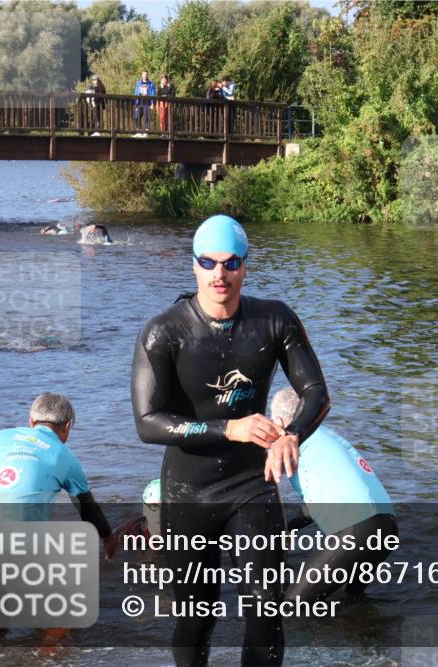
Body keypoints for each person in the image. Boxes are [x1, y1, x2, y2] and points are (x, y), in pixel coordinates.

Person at [131, 214, 330, 667]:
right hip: (187, 491)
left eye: (231, 262)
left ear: (245, 266)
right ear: (194, 266)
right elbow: (147, 422)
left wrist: (291, 435)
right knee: (196, 615)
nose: (219, 273)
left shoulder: (273, 320)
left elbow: (317, 392)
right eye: (208, 262)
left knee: (266, 608)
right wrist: (231, 428)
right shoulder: (165, 331)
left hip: (251, 483)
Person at [269, 388, 398, 603]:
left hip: (357, 529)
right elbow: (325, 497)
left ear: (280, 421)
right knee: (353, 600)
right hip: (388, 527)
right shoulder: (326, 436)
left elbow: (258, 483)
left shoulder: (292, 444)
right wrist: (290, 526)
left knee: (292, 607)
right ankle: (365, 633)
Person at [0, 392, 117, 553]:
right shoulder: (65, 457)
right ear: (67, 426)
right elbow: (87, 508)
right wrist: (108, 538)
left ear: (31, 421)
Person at [133, 70, 155, 136]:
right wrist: (135, 103)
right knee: (137, 116)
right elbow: (136, 92)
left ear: (147, 75)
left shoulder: (151, 84)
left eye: (146, 74)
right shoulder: (138, 83)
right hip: (139, 102)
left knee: (146, 117)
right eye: (143, 74)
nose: (145, 76)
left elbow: (153, 93)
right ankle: (138, 130)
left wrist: (152, 103)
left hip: (147, 102)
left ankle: (146, 131)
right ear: (141, 75)